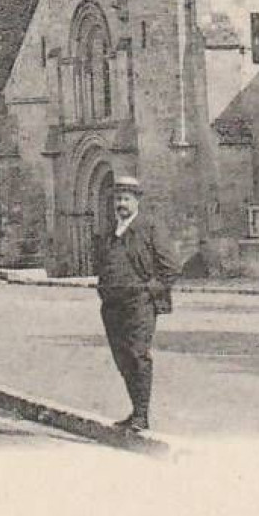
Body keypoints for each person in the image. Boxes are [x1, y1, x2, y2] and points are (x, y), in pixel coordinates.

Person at [92, 175, 178, 433]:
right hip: (112, 306)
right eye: (118, 199)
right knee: (122, 359)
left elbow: (171, 266)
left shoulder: (149, 228)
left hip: (139, 304)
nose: (121, 204)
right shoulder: (110, 232)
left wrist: (149, 290)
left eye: (126, 198)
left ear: (137, 201)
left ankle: (142, 415)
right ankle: (135, 411)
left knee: (137, 354)